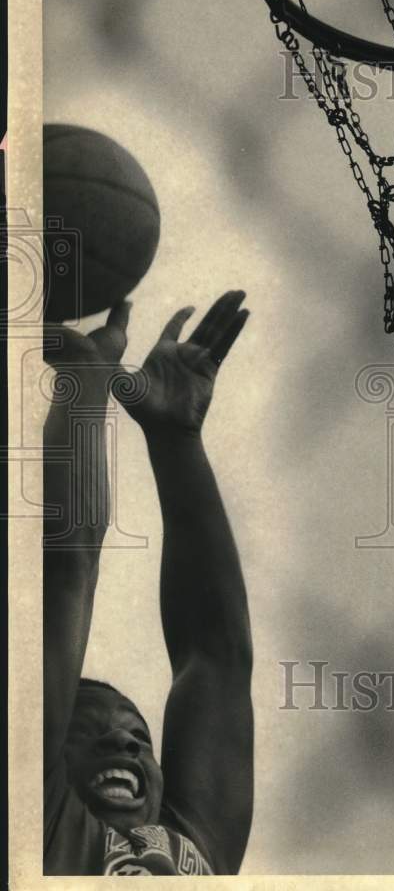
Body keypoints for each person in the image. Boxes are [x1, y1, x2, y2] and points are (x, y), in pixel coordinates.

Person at [43, 291, 253, 875]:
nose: (126, 745)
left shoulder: (193, 854)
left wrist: (177, 441)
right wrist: (83, 385)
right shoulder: (37, 829)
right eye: (84, 732)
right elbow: (67, 572)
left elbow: (215, 656)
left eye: (140, 737)